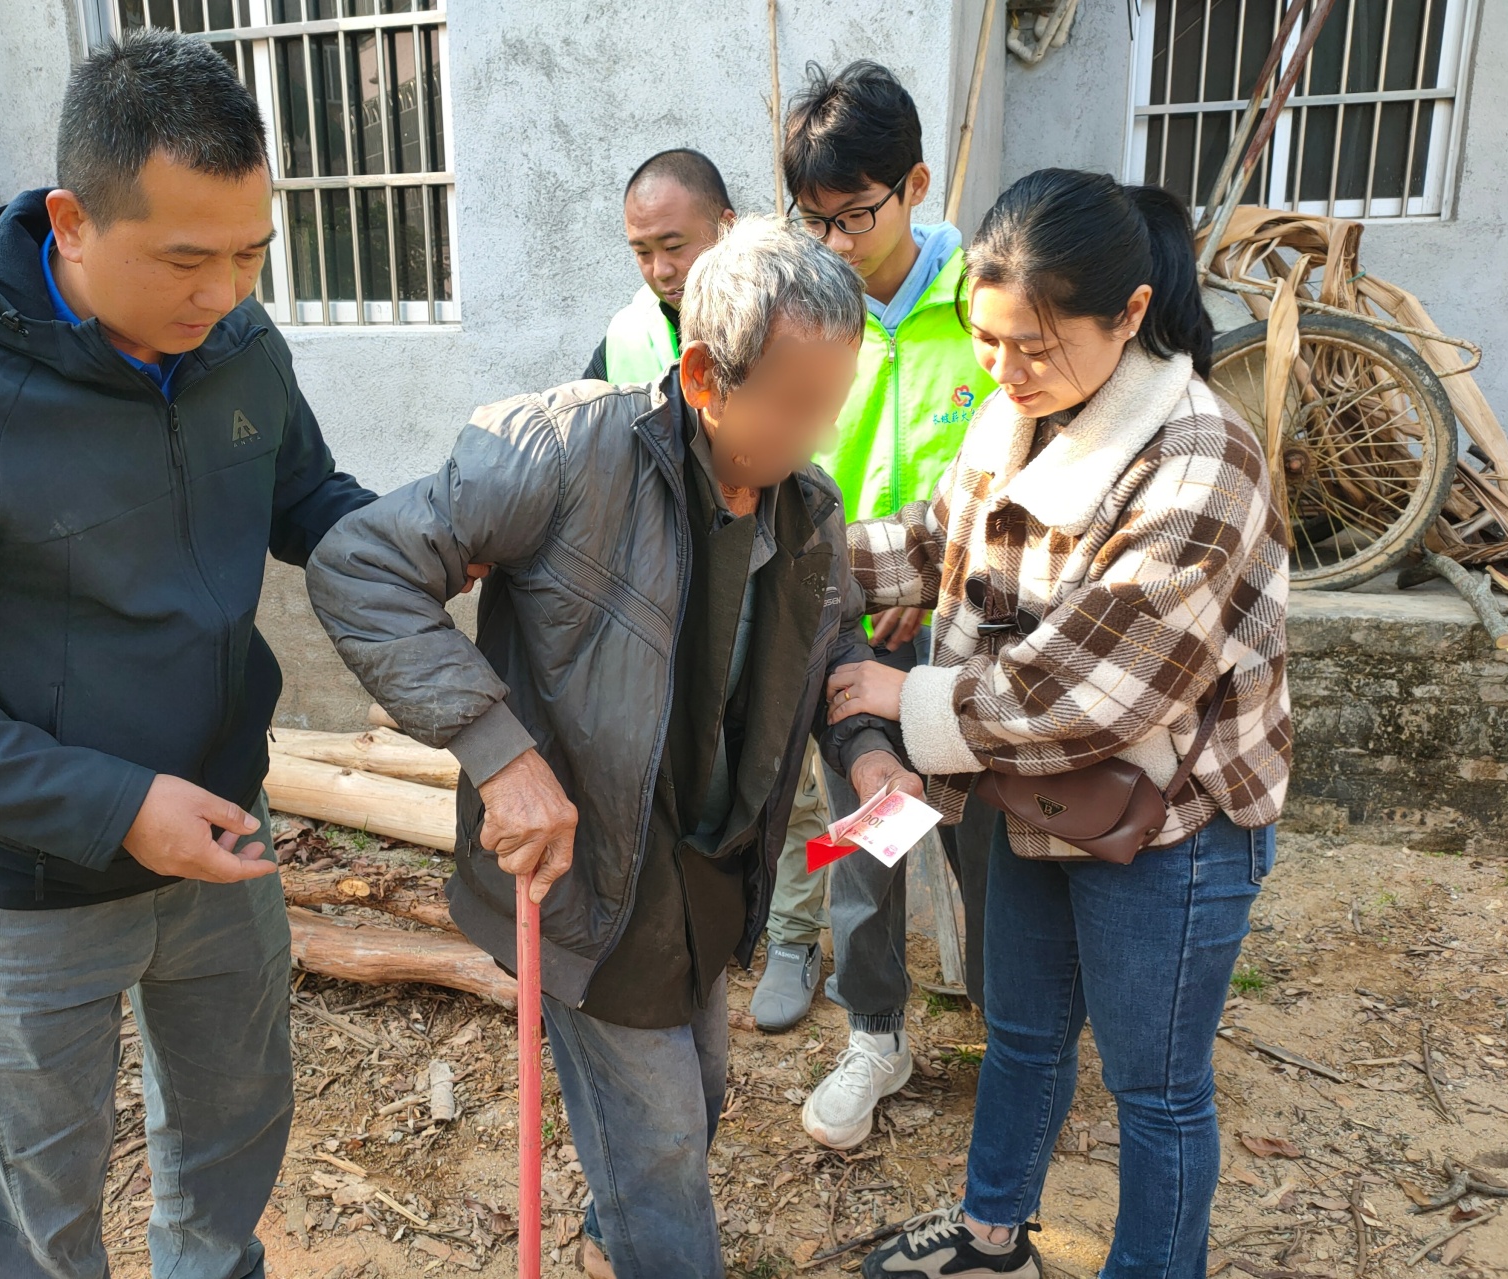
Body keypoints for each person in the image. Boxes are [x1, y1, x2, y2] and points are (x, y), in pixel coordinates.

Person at [0, 30, 376, 1279]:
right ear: (71, 220)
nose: (225, 289)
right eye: (187, 258)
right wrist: (113, 805)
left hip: (222, 835)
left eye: (249, 253)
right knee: (34, 1209)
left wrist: (439, 538)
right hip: (13, 890)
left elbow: (311, 501)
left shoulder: (234, 340)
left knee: (233, 1133)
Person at [307, 217, 923, 1279]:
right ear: (702, 377)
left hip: (711, 869)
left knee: (702, 1098)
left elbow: (832, 649)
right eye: (793, 407)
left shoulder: (805, 506)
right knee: (662, 1142)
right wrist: (499, 751)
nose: (815, 437)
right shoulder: (562, 453)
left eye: (831, 405)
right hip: (593, 876)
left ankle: (614, 1240)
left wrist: (866, 749)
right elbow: (357, 564)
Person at [827, 169, 1292, 1279]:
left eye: (1032, 343)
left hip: (1173, 819)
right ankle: (991, 1240)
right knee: (1023, 1034)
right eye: (985, 339)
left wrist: (908, 699)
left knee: (1156, 1089)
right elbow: (931, 541)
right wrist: (791, 547)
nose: (1002, 368)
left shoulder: (1199, 455)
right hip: (1037, 793)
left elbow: (1097, 691)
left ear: (1128, 313)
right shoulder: (1012, 412)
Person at [771, 59, 1000, 1135]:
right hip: (845, 630)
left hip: (972, 642)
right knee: (860, 834)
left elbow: (1026, 483)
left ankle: (1014, 1029)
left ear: (913, 185)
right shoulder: (805, 315)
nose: (834, 243)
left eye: (855, 214)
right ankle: (873, 1034)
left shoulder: (991, 309)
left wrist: (936, 577)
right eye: (810, 219)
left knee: (986, 839)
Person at [581, 148, 735, 382]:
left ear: (727, 227)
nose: (660, 271)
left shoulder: (789, 319)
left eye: (673, 247)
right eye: (643, 252)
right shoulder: (625, 337)